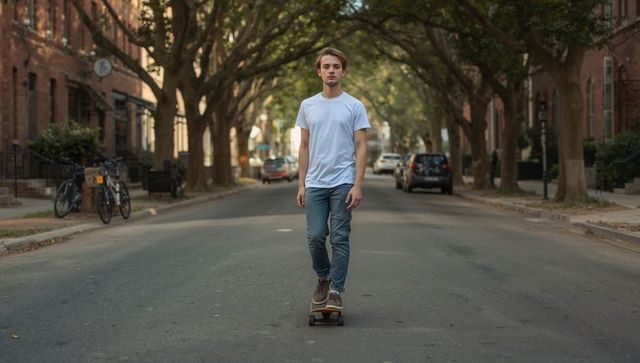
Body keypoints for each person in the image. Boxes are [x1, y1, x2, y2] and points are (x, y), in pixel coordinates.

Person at [295, 47, 370, 311]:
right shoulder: (308, 105)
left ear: (343, 71)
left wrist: (358, 184)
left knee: (339, 238)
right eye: (326, 66)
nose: (331, 70)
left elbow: (361, 146)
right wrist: (301, 183)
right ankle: (324, 278)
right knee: (315, 236)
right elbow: (303, 147)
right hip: (315, 183)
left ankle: (336, 289)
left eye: (336, 66)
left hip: (343, 182)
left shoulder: (354, 105)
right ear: (319, 71)